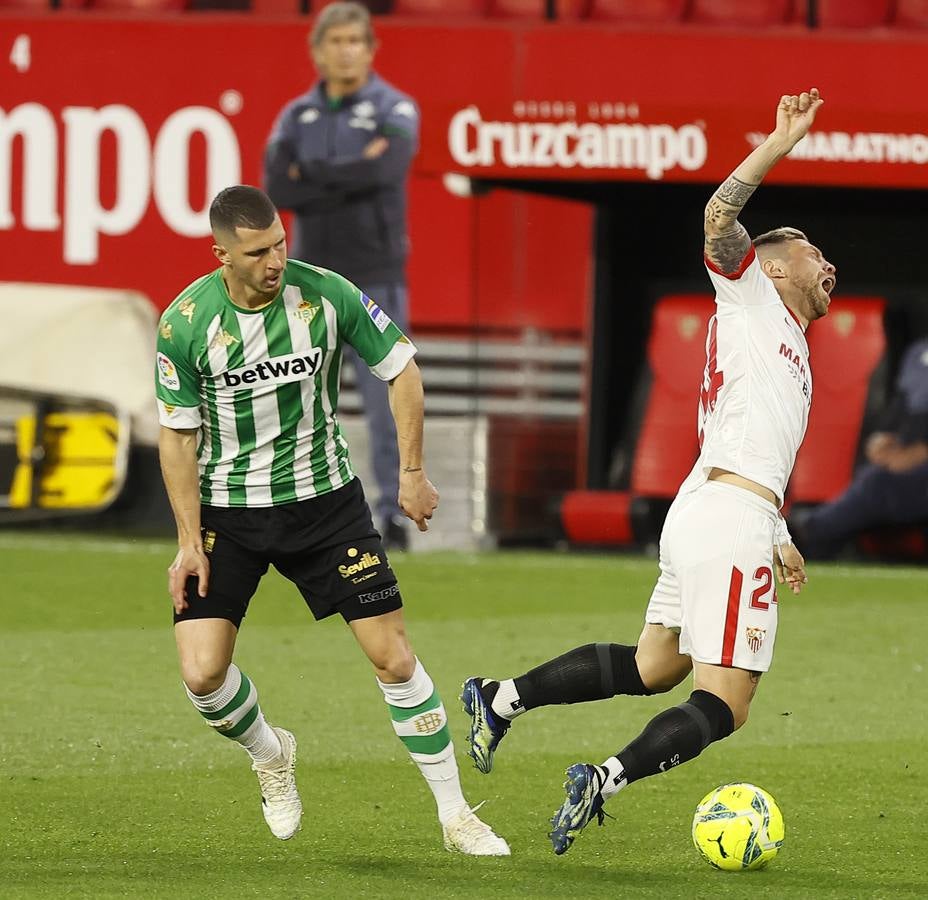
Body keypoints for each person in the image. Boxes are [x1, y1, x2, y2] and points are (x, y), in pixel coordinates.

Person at [461, 89, 836, 855]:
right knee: (726, 701)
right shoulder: (750, 296)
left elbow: (747, 442)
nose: (829, 265)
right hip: (725, 514)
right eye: (813, 255)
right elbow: (717, 221)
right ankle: (603, 778)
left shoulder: (787, 347)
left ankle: (502, 699)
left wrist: (779, 529)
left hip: (712, 505)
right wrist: (778, 143)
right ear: (771, 267)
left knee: (655, 664)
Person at [155, 185, 509, 856]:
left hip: (326, 506)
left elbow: (402, 370)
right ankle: (270, 751)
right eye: (258, 252)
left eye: (281, 243)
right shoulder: (185, 323)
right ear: (221, 255)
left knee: (393, 656)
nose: (275, 261)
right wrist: (185, 542)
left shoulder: (327, 295)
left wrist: (410, 472)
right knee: (202, 675)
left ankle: (456, 814)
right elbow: (177, 436)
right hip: (227, 512)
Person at [263, 1, 418, 551]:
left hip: (375, 274)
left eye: (357, 40)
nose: (347, 50)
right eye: (336, 41)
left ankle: (393, 513)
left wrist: (317, 177)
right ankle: (289, 508)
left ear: (371, 49)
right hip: (309, 280)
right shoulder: (295, 115)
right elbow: (279, 189)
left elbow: (386, 169)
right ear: (317, 51)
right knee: (294, 398)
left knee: (385, 401)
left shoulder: (393, 107)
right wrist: (349, 176)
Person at [791, 336, 928, 557]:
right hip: (903, 457)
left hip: (919, 465)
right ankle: (811, 534)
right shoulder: (918, 351)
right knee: (873, 474)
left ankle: (809, 531)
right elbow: (898, 408)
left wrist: (921, 452)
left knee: (878, 483)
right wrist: (881, 439)